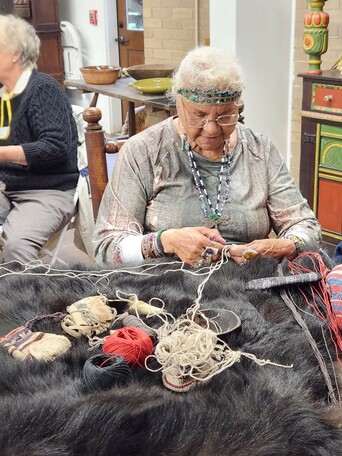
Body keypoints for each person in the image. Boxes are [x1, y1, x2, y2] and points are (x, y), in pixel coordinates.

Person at [93, 46, 321, 268]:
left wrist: (288, 245)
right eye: (198, 115)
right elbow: (107, 248)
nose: (211, 129)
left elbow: (305, 226)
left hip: (248, 283)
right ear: (178, 105)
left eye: (225, 115)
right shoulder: (144, 152)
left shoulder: (260, 151)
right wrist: (165, 242)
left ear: (238, 108)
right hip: (167, 288)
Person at [0, 14, 79, 263]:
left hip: (47, 190)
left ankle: (34, 300)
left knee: (16, 246)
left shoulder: (43, 88)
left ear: (15, 53)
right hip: (6, 185)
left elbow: (55, 146)